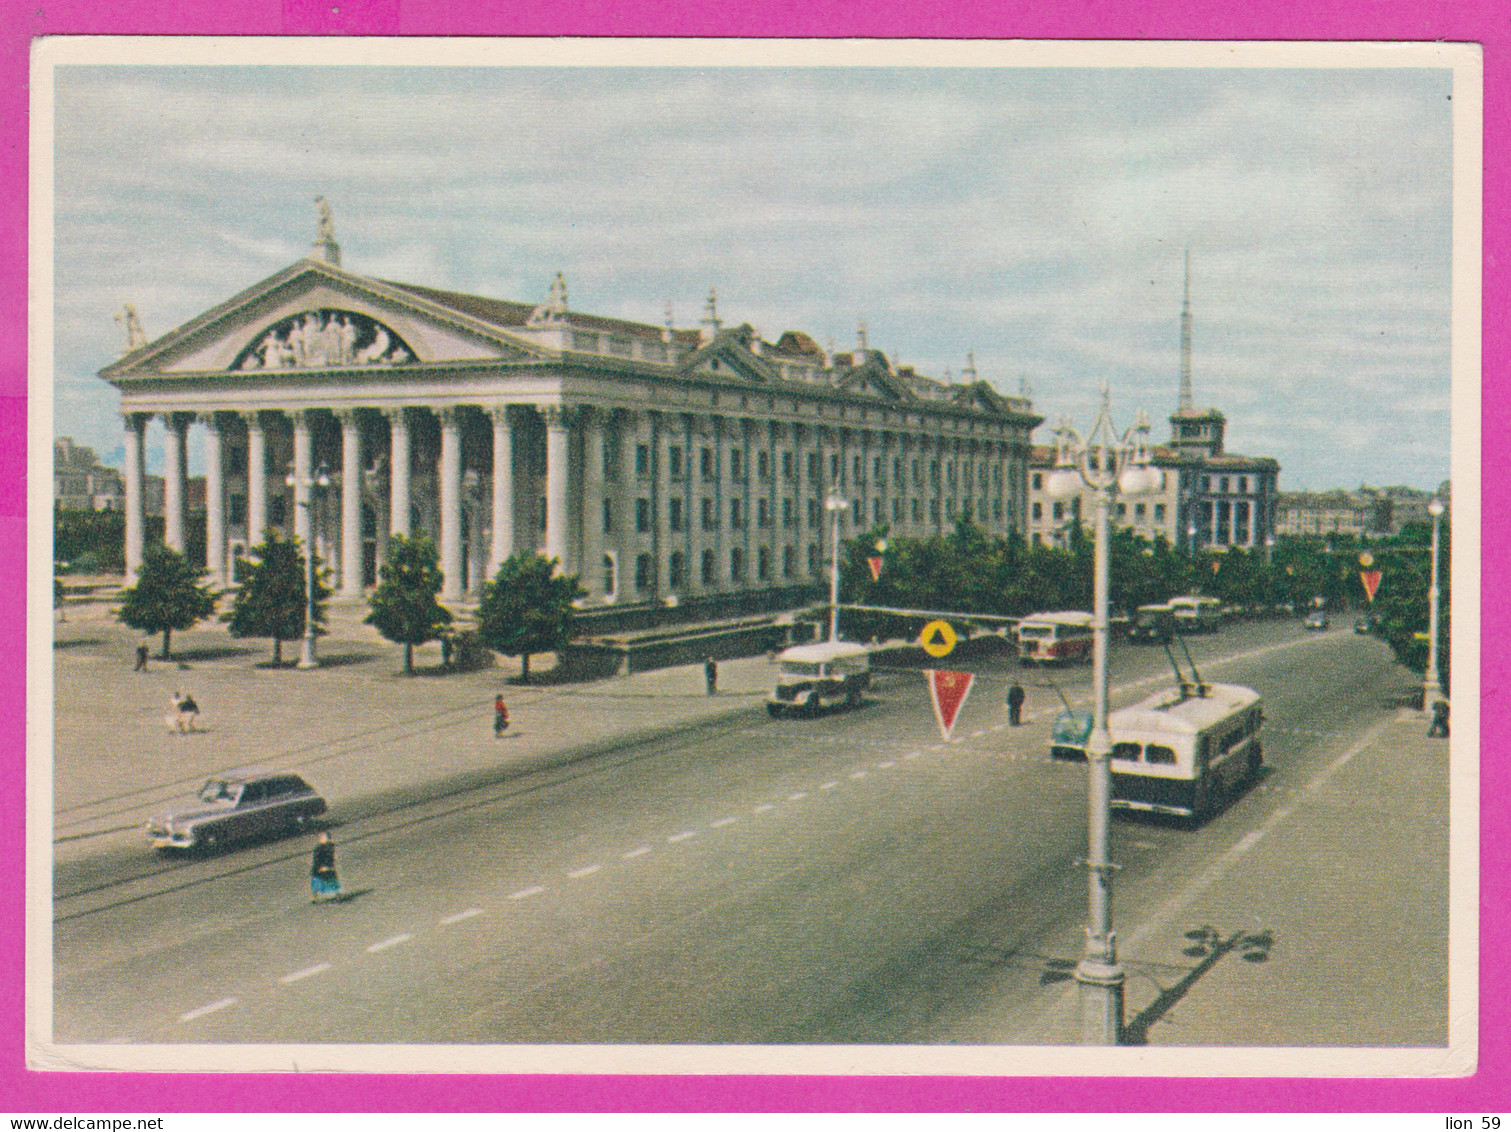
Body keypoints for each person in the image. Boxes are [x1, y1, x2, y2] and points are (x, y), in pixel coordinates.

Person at [310, 832, 341, 903]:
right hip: (320, 868)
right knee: (317, 882)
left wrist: (331, 863)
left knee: (333, 881)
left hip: (328, 866)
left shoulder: (330, 846)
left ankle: (338, 896)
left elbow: (332, 856)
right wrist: (321, 867)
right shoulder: (318, 848)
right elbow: (316, 859)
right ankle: (314, 898)